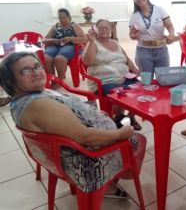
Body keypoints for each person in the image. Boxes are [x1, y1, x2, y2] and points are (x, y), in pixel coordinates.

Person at [0, 52, 146, 198]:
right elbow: (85, 137)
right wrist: (120, 134)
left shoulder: (26, 97)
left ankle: (110, 183)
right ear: (10, 81)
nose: (36, 72)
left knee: (120, 124)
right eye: (25, 71)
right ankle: (110, 184)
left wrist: (96, 116)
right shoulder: (38, 105)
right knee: (138, 140)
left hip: (69, 151)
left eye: (37, 66)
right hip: (88, 162)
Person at [83, 19, 142, 130]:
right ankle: (118, 119)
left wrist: (133, 66)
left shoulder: (115, 42)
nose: (104, 29)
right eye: (101, 28)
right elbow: (87, 62)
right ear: (96, 30)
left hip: (123, 77)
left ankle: (130, 117)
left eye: (107, 27)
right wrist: (91, 41)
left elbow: (126, 58)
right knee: (119, 94)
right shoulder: (93, 43)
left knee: (141, 89)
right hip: (105, 81)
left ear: (110, 29)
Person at [129, 0, 177, 75]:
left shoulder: (159, 9)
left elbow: (169, 26)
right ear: (134, 0)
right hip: (143, 51)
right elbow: (131, 35)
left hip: (161, 50)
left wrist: (171, 34)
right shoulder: (134, 16)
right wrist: (134, 36)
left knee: (164, 78)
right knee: (147, 82)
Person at [42, 8, 87, 84]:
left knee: (59, 59)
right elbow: (44, 39)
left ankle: (60, 81)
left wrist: (70, 39)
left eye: (64, 18)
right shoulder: (55, 26)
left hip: (70, 46)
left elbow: (84, 39)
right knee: (46, 58)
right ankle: (53, 80)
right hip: (55, 46)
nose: (62, 20)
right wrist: (52, 40)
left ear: (69, 17)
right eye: (60, 18)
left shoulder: (74, 25)